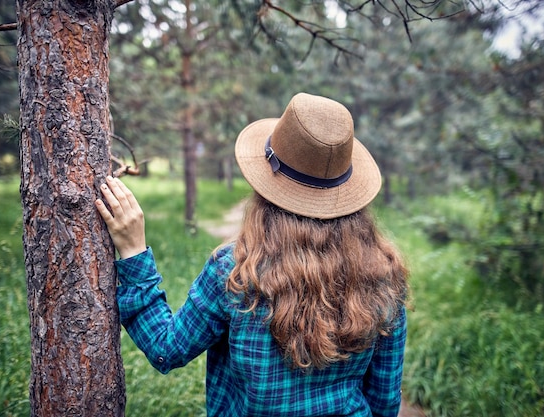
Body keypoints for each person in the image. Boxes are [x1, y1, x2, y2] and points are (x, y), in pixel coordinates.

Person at [96, 92, 409, 417]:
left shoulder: (236, 272)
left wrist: (133, 251)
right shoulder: (384, 275)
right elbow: (384, 401)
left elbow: (166, 348)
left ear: (266, 182)